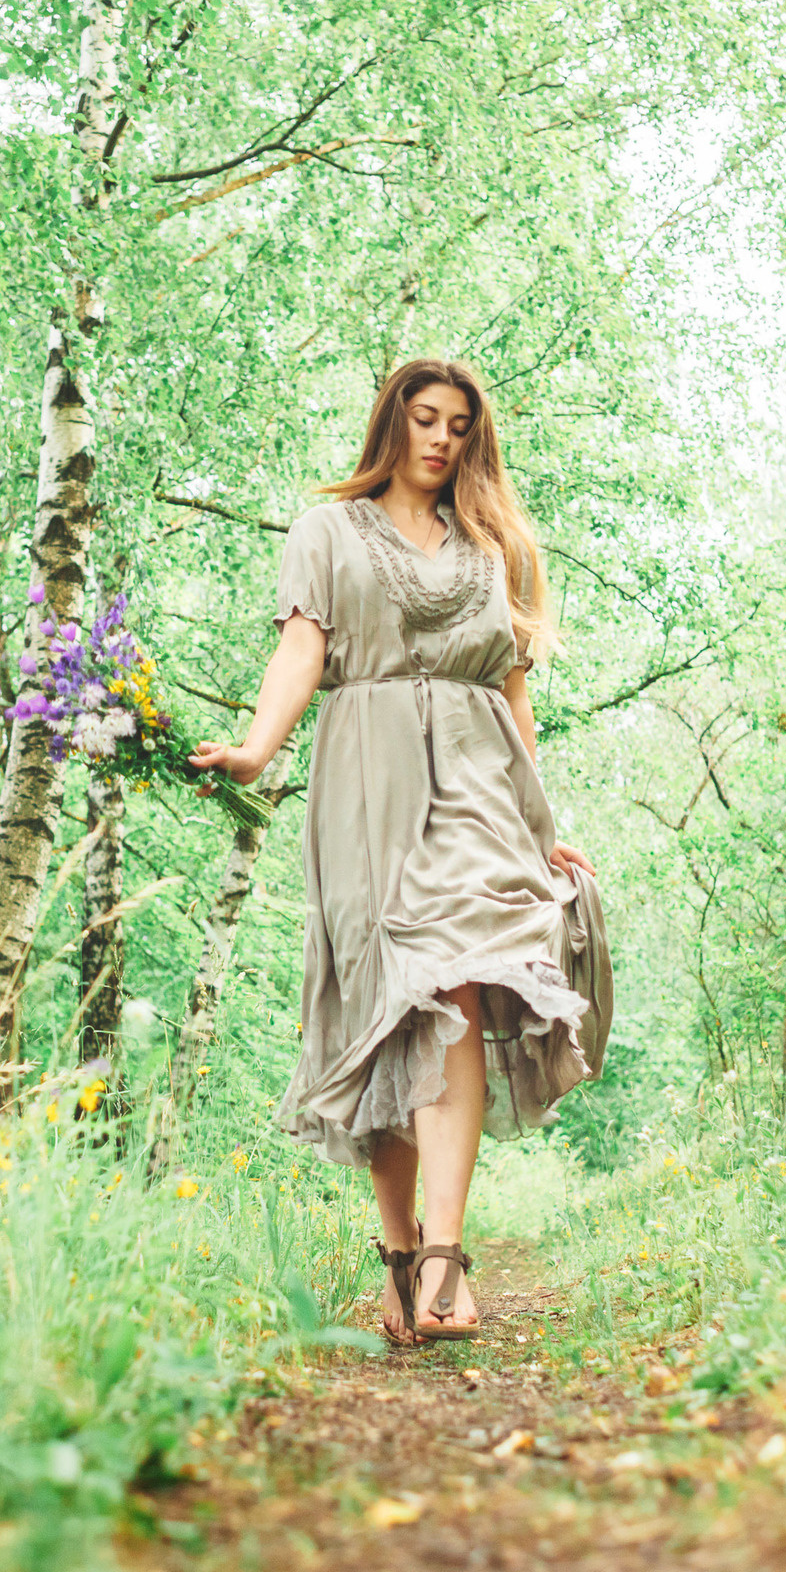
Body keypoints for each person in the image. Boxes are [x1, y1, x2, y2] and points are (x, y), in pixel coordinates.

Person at [191, 358, 614, 1345]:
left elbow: (514, 698)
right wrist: (255, 751)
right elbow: (302, 651)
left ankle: (444, 1261)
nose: (441, 439)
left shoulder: (496, 547)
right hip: (366, 786)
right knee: (387, 1008)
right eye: (425, 419)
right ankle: (399, 1249)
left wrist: (542, 826)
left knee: (455, 981)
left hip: (478, 785)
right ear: (393, 423)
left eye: (459, 426)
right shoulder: (326, 532)